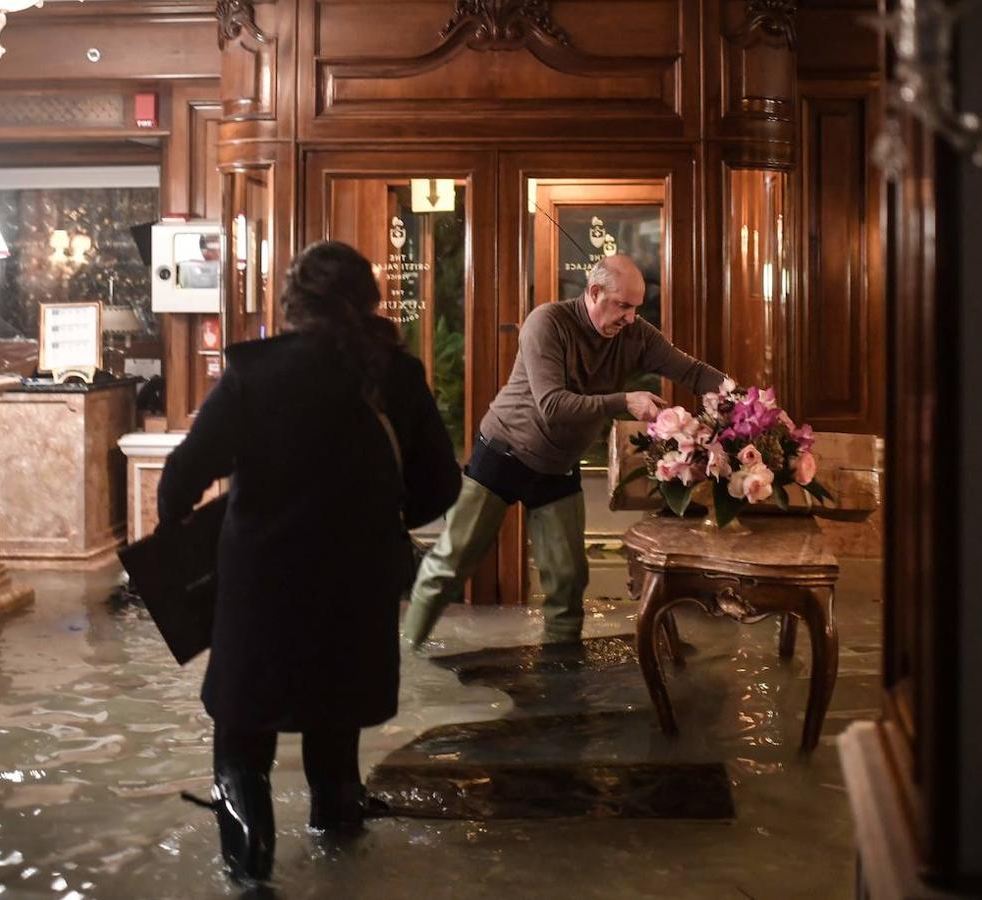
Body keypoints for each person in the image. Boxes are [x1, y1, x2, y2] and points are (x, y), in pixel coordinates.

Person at [157, 240, 461, 884]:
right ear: (368, 301)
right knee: (335, 716)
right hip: (357, 581)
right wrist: (378, 519)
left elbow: (181, 476)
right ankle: (340, 842)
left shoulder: (254, 374)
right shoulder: (395, 375)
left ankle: (250, 870)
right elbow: (440, 485)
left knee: (243, 733)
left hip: (261, 584)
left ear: (292, 303)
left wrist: (182, 528)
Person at [403, 254, 727, 648]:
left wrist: (743, 401)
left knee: (568, 581)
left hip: (557, 466)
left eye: (636, 308)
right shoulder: (547, 323)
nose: (630, 318)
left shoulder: (636, 334)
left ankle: (559, 673)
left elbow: (692, 372)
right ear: (594, 292)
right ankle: (404, 658)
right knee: (451, 565)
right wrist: (624, 400)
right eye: (622, 306)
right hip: (503, 453)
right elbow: (552, 405)